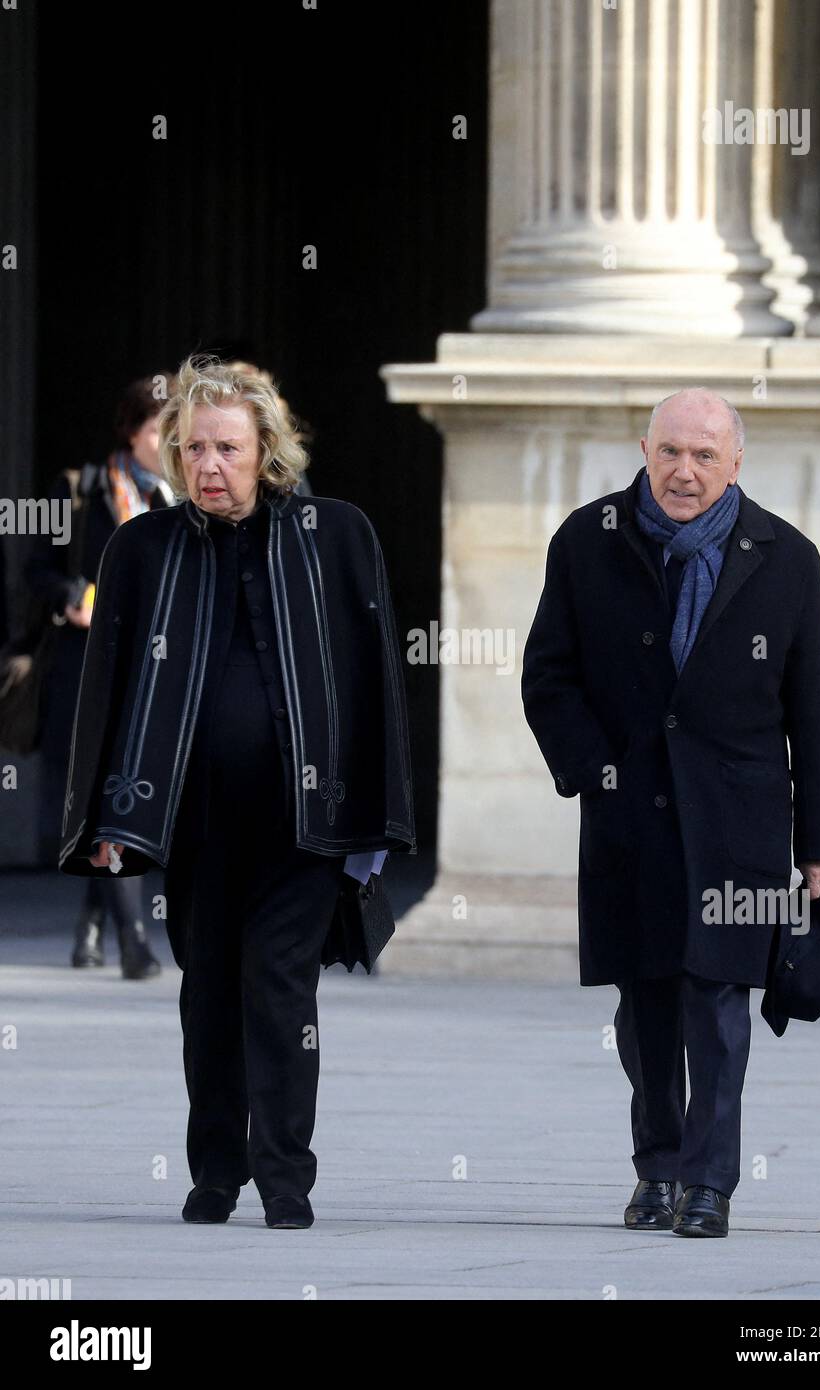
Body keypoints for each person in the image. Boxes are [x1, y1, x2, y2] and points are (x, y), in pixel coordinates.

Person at [59, 354, 415, 1229]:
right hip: (195, 824)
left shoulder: (336, 534)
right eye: (192, 449)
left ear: (267, 451)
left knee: (279, 985)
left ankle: (286, 1176)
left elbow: (374, 683)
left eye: (227, 448)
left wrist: (376, 821)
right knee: (208, 989)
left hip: (305, 824)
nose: (208, 466)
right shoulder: (142, 547)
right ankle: (215, 1169)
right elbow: (107, 690)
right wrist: (106, 817)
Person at [521, 387, 820, 1238]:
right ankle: (656, 1168)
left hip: (740, 823)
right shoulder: (585, 541)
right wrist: (594, 772)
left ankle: (709, 1185)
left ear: (735, 464)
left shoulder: (787, 557)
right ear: (643, 448)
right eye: (669, 451)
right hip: (628, 815)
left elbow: (810, 708)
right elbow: (546, 678)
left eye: (704, 456)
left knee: (720, 1000)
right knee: (645, 1005)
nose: (683, 471)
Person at [23, 376, 175, 977]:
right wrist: (70, 595)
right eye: (159, 432)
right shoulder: (80, 491)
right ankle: (134, 940)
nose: (170, 445)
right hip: (89, 671)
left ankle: (90, 925)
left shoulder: (176, 499)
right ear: (132, 432)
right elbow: (36, 569)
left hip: (153, 676)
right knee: (111, 796)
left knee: (118, 801)